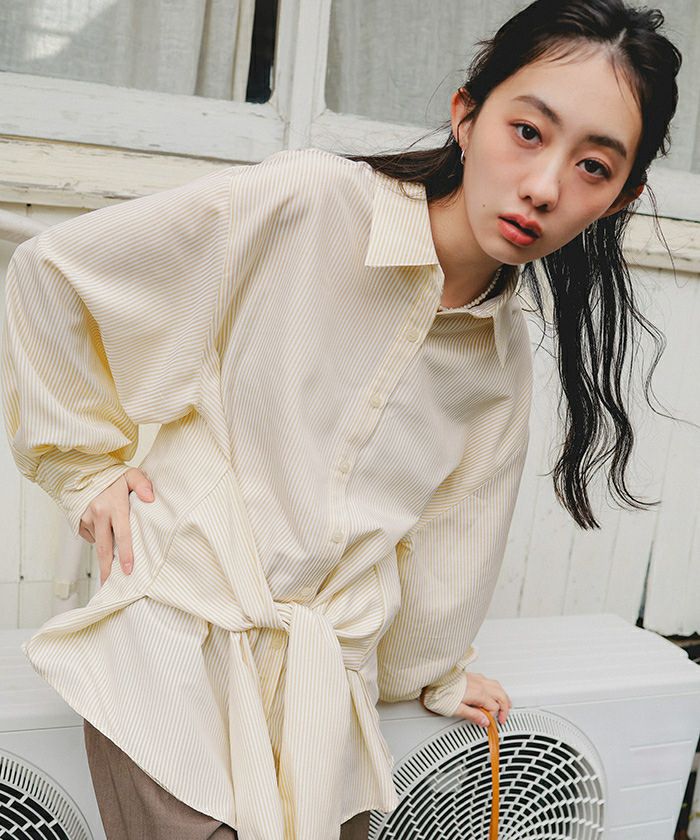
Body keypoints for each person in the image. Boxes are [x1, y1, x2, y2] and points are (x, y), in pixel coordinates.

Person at [0, 1, 682, 838]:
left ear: (621, 198)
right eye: (528, 132)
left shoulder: (498, 364)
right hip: (169, 644)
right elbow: (57, 273)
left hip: (321, 696)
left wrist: (434, 676)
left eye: (593, 167)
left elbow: (448, 564)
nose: (543, 187)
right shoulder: (311, 202)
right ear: (467, 115)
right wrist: (86, 469)